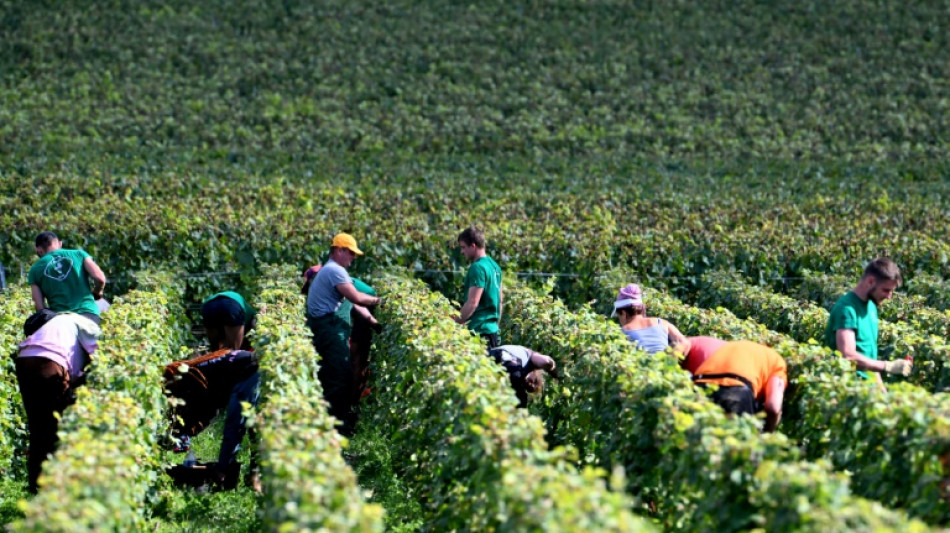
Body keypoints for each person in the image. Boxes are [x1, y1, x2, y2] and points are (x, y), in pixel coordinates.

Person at [15, 313, 101, 493]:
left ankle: (36, 484)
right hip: (51, 361)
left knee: (37, 423)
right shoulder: (88, 326)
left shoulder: (57, 326)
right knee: (60, 424)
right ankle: (60, 485)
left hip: (24, 359)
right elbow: (100, 359)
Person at [305, 233, 382, 435]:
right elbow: (356, 296)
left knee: (330, 373)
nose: (353, 257)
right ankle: (333, 426)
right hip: (330, 329)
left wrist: (373, 322)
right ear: (338, 250)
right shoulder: (335, 271)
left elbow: (352, 302)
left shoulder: (332, 271)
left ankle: (326, 422)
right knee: (340, 375)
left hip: (327, 328)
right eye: (351, 253)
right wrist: (380, 301)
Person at [163, 348, 261, 491]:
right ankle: (252, 477)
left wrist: (221, 468)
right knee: (255, 426)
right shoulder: (195, 377)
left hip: (246, 371)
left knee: (245, 425)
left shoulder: (190, 379)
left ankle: (250, 476)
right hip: (240, 366)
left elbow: (235, 425)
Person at [823, 257, 911, 391]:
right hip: (848, 389)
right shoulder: (846, 309)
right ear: (870, 281)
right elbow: (848, 356)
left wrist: (880, 387)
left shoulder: (871, 306)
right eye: (886, 290)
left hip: (869, 389)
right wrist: (887, 366)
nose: (889, 296)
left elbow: (869, 354)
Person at [692, 340, 787, 432]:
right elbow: (773, 407)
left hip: (699, 386)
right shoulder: (777, 360)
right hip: (736, 394)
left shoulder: (732, 345)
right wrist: (768, 435)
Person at [29, 231, 107, 325]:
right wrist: (97, 292)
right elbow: (100, 278)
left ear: (38, 249)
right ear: (60, 244)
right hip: (88, 314)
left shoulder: (34, 269)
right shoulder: (79, 254)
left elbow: (39, 307)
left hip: (60, 319)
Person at [454, 226, 503, 349]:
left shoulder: (478, 268)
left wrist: (456, 322)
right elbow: (500, 300)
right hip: (492, 330)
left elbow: (472, 303)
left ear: (473, 246)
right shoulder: (495, 266)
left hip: (479, 331)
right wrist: (495, 326)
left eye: (463, 247)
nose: (462, 252)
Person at [612, 284, 691, 356]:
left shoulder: (623, 332)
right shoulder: (661, 322)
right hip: (667, 368)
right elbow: (684, 342)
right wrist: (667, 362)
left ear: (624, 313)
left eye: (619, 316)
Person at [488, 345, 557, 408]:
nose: (531, 383)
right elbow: (545, 361)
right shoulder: (530, 356)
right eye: (535, 381)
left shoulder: (521, 373)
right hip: (501, 355)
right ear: (536, 373)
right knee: (520, 398)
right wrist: (552, 368)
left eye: (529, 386)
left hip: (495, 359)